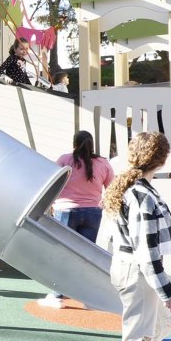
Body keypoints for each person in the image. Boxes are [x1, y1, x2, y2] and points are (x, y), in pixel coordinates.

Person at [97, 132, 171, 341]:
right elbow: (146, 251)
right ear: (160, 160)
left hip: (131, 267)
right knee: (140, 337)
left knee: (158, 327)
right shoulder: (141, 195)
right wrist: (166, 290)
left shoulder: (132, 188)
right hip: (138, 270)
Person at [40, 131, 114, 307]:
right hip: (93, 212)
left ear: (74, 143)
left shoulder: (65, 160)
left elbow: (52, 180)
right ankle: (87, 297)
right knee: (86, 256)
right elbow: (112, 187)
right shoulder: (103, 163)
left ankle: (58, 295)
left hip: (65, 211)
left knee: (63, 254)